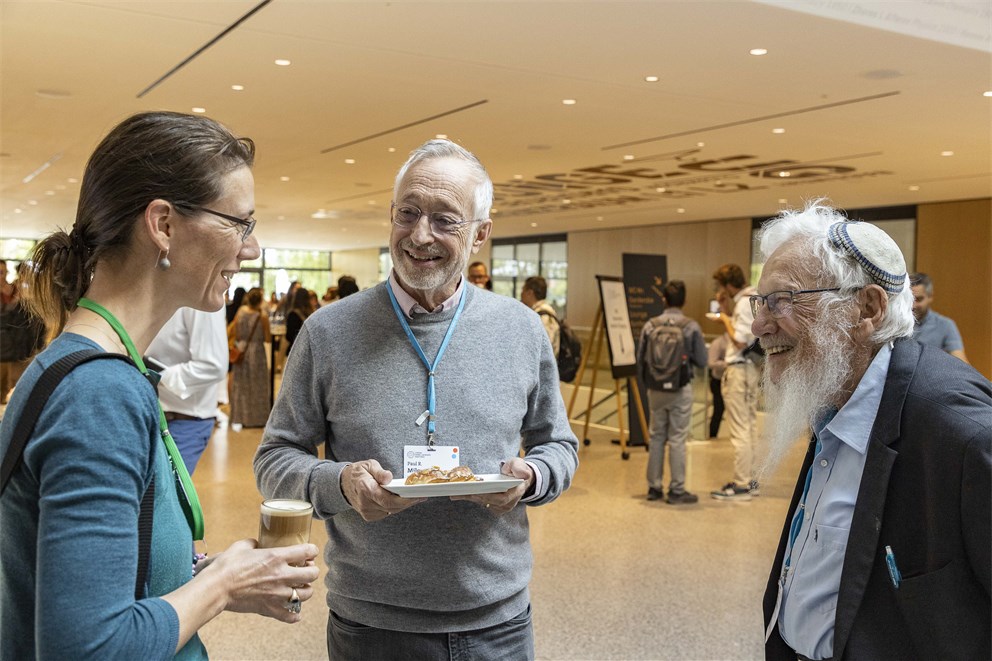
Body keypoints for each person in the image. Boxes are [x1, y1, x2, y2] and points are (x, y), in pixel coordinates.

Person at [0, 111, 318, 660]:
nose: (251, 249)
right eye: (239, 224)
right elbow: (87, 648)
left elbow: (115, 576)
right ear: (164, 225)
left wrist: (211, 574)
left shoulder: (85, 367)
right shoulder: (100, 395)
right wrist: (223, 586)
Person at [254, 139, 579, 660]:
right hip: (372, 626)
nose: (420, 234)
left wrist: (533, 477)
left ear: (480, 234)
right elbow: (274, 458)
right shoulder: (328, 332)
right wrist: (341, 483)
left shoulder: (520, 329)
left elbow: (558, 445)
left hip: (497, 622)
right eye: (408, 213)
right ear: (391, 214)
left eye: (445, 220)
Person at [754, 203, 990, 661]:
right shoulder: (836, 396)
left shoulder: (961, 432)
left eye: (781, 300)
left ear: (867, 308)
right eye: (760, 302)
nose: (758, 325)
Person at [637, 280, 707, 504]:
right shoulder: (690, 326)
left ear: (664, 299)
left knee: (656, 436)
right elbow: (702, 360)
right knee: (677, 438)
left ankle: (654, 488)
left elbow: (640, 359)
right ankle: (677, 490)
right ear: (684, 301)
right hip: (680, 388)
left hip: (655, 389)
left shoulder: (650, 325)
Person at [146, 308, 228, 474]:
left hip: (184, 419)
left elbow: (213, 366)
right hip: (151, 415)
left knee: (165, 488)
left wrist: (154, 375)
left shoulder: (201, 304)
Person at [708, 262, 760, 501]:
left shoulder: (743, 303)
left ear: (728, 285)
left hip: (738, 371)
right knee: (749, 426)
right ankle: (750, 479)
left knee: (740, 429)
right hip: (750, 369)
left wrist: (723, 319)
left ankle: (740, 484)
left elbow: (739, 341)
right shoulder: (754, 299)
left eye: (721, 286)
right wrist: (724, 309)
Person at [0, 262, 45, 404]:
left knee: (14, 384)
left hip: (18, 348)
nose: (3, 276)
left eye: (4, 272)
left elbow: (30, 322)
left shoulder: (18, 291)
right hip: (6, 348)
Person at [228, 286, 271, 430]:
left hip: (242, 349)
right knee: (258, 385)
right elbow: (267, 338)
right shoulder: (262, 316)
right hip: (257, 352)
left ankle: (241, 416)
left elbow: (236, 332)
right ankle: (258, 418)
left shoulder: (241, 312)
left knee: (242, 385)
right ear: (260, 301)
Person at [909, 272, 968, 363]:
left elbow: (961, 362)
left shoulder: (945, 325)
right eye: (910, 299)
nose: (913, 305)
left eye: (919, 299)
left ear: (930, 297)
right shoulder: (896, 322)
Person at [520, 275, 560, 356]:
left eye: (523, 290)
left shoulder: (544, 316)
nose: (521, 294)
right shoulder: (538, 313)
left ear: (530, 293)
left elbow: (545, 350)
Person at [707, 332, 728, 438]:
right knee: (719, 408)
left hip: (731, 380)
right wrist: (728, 363)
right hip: (718, 380)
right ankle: (712, 434)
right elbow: (711, 363)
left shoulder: (740, 342)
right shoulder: (718, 343)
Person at [284, 286, 312, 354]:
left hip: (296, 350)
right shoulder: (311, 313)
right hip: (309, 350)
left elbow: (289, 336)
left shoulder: (293, 314)